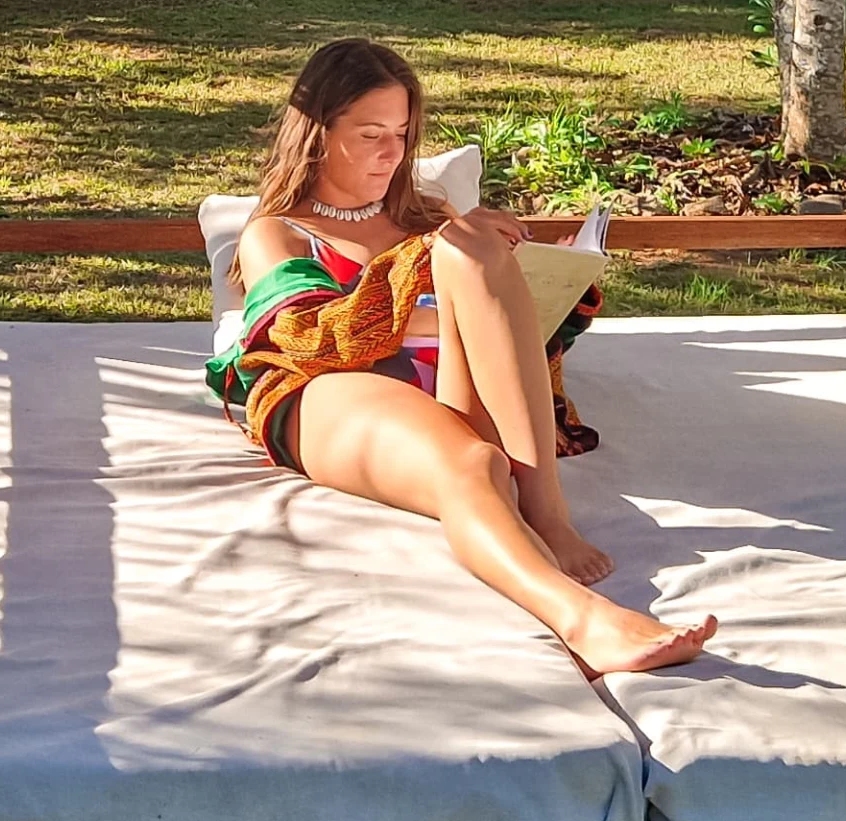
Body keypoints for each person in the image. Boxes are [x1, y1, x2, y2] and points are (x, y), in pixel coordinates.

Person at [210, 38, 714, 676]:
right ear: (317, 132)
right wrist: (425, 261)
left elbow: (498, 330)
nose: (391, 153)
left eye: (400, 132)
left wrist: (544, 280)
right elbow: (309, 335)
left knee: (468, 257)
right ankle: (582, 619)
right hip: (334, 392)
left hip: (443, 384)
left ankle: (547, 514)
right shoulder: (275, 231)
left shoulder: (426, 214)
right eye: (370, 134)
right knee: (475, 463)